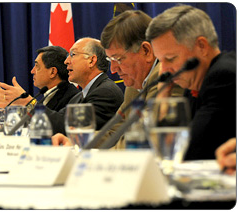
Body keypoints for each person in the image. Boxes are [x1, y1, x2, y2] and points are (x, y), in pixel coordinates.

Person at [52, 10, 184, 148]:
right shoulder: (133, 85)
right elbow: (114, 132)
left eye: (118, 59)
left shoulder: (166, 76)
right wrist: (77, 141)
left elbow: (147, 140)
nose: (113, 69)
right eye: (110, 60)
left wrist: (95, 159)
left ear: (146, 51)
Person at [146, 5, 236, 160]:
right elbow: (165, 149)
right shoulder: (194, 84)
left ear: (201, 46)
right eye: (160, 61)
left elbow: (185, 152)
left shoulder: (223, 76)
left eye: (171, 58)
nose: (165, 70)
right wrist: (164, 94)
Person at [45, 37, 124, 134]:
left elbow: (68, 127)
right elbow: (58, 121)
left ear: (91, 61)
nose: (66, 61)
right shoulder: (78, 97)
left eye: (73, 55)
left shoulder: (106, 93)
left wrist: (27, 102)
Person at [0, 46, 80, 112]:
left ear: (52, 72)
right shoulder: (47, 95)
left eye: (37, 66)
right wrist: (11, 107)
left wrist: (28, 102)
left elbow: (53, 125)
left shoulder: (73, 98)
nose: (32, 71)